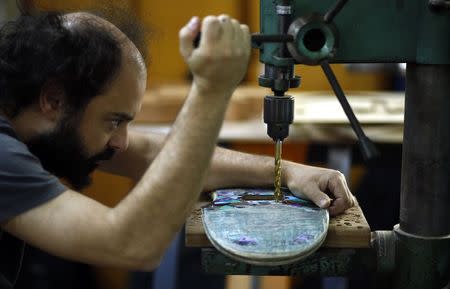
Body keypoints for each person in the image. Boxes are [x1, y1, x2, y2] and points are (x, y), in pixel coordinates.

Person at [0, 9, 356, 287]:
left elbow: (153, 152)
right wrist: (211, 89)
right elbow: (128, 244)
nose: (122, 141)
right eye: (113, 121)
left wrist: (286, 171)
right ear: (53, 99)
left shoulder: (25, 125)